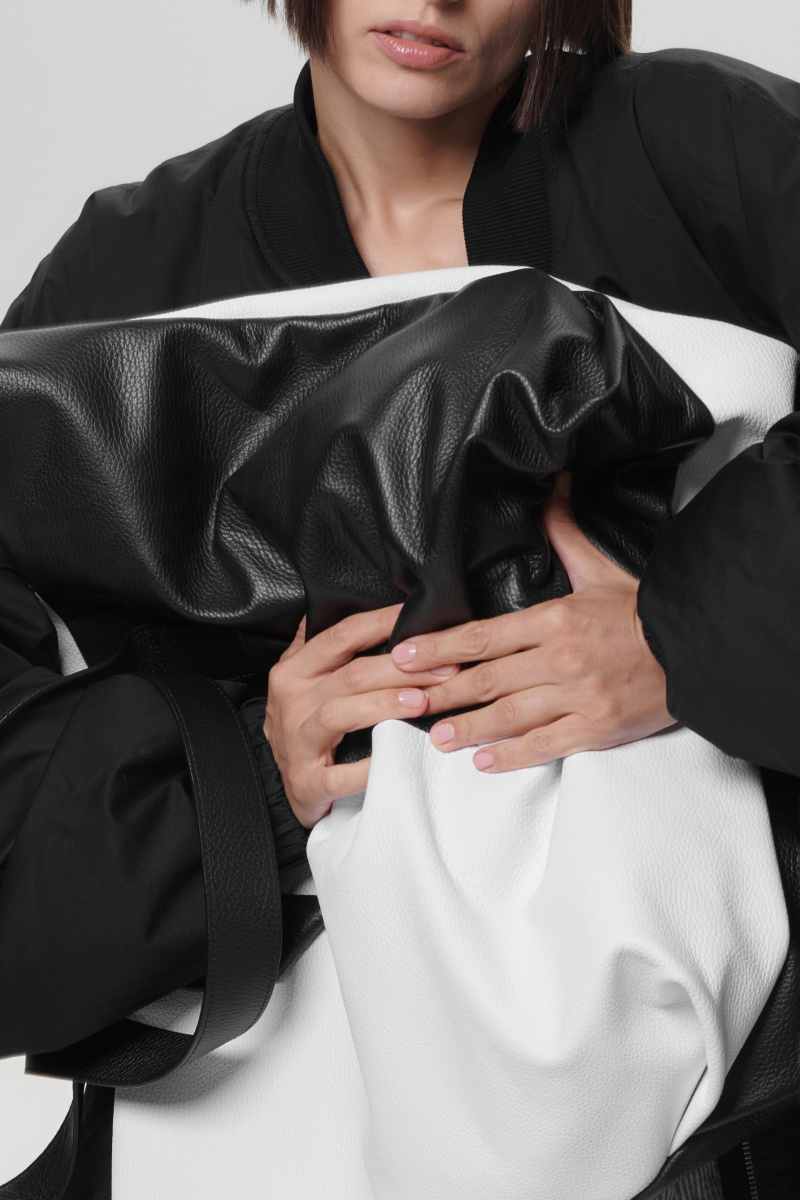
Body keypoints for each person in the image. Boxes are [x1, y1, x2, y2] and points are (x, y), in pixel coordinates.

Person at [1, 1, 799, 1196]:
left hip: (706, 1062)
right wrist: (250, 777)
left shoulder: (700, 146)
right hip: (264, 1098)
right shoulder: (125, 271)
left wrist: (679, 635)